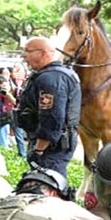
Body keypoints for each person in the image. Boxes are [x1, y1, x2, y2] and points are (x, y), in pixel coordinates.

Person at [17, 37, 81, 176]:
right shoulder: (59, 73)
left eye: (27, 51)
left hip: (51, 146)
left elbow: (52, 117)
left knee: (46, 184)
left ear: (42, 53)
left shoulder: (52, 78)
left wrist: (39, 148)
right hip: (54, 142)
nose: (24, 55)